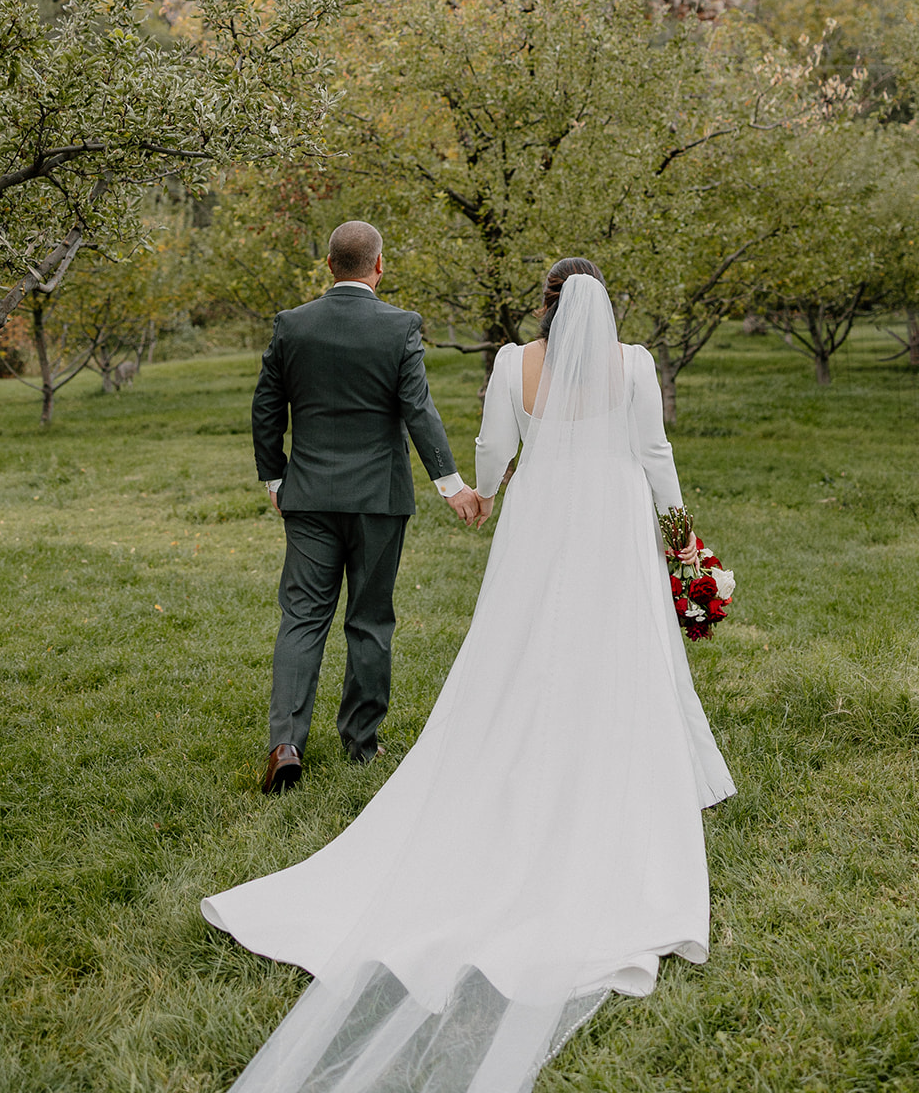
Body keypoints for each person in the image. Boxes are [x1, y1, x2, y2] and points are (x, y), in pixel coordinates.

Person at [204, 257, 735, 1092]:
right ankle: (608, 754)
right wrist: (678, 532)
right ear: (604, 305)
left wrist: (485, 494)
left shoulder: (512, 362)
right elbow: (652, 449)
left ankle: (514, 740)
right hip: (614, 513)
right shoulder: (632, 363)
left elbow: (496, 445)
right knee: (612, 639)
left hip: (541, 514)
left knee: (522, 644)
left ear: (545, 305)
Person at [251, 220, 479, 795]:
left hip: (308, 496)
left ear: (328, 265)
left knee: (302, 617)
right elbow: (418, 410)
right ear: (379, 266)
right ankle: (361, 741)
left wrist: (276, 478)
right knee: (370, 618)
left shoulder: (292, 325)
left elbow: (266, 407)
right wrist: (451, 485)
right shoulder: (400, 327)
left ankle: (286, 743)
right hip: (379, 499)